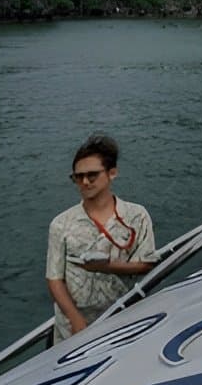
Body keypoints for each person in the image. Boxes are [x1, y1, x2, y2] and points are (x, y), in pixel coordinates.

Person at [45, 135, 158, 342]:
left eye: (92, 175)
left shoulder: (137, 216)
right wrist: (76, 320)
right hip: (72, 329)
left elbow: (146, 264)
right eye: (78, 177)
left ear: (112, 173)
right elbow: (54, 279)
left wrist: (107, 267)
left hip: (123, 319)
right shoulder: (61, 224)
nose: (85, 182)